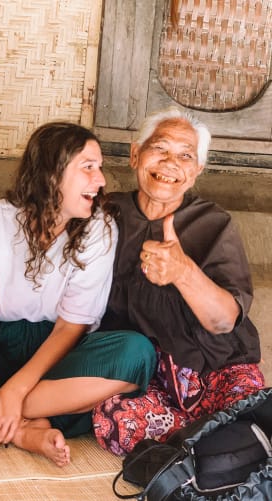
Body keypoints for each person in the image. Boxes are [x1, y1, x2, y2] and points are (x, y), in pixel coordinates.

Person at [0, 122, 156, 466]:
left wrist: (15, 391)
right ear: (53, 172)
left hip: (60, 360)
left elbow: (69, 328)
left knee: (136, 354)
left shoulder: (100, 229)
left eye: (100, 168)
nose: (101, 179)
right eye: (88, 167)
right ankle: (18, 430)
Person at [92, 107, 264, 455]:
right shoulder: (104, 214)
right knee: (114, 417)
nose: (171, 163)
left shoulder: (213, 224)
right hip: (143, 372)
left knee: (253, 415)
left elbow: (224, 320)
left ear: (196, 171)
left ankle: (200, 447)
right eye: (161, 148)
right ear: (135, 155)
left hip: (217, 369)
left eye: (186, 155)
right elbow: (42, 224)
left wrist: (184, 271)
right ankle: (212, 447)